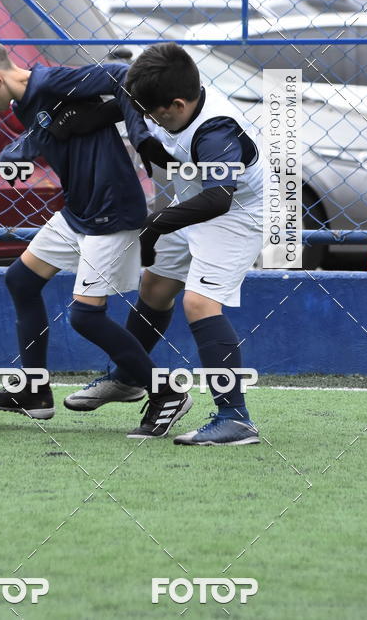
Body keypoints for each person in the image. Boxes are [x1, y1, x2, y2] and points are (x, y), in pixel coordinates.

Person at [0, 34, 192, 438]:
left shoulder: (53, 82)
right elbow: (51, 129)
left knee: (85, 316)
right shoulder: (25, 102)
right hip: (79, 211)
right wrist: (20, 150)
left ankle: (166, 392)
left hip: (111, 212)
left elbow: (123, 76)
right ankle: (35, 391)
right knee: (20, 280)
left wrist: (140, 136)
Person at [63, 43, 263, 446]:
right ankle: (128, 377)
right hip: (190, 201)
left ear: (176, 103)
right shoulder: (160, 101)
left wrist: (154, 224)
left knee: (200, 302)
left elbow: (219, 197)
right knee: (155, 287)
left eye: (154, 113)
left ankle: (236, 418)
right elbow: (108, 111)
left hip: (236, 213)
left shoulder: (217, 129)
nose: (148, 119)